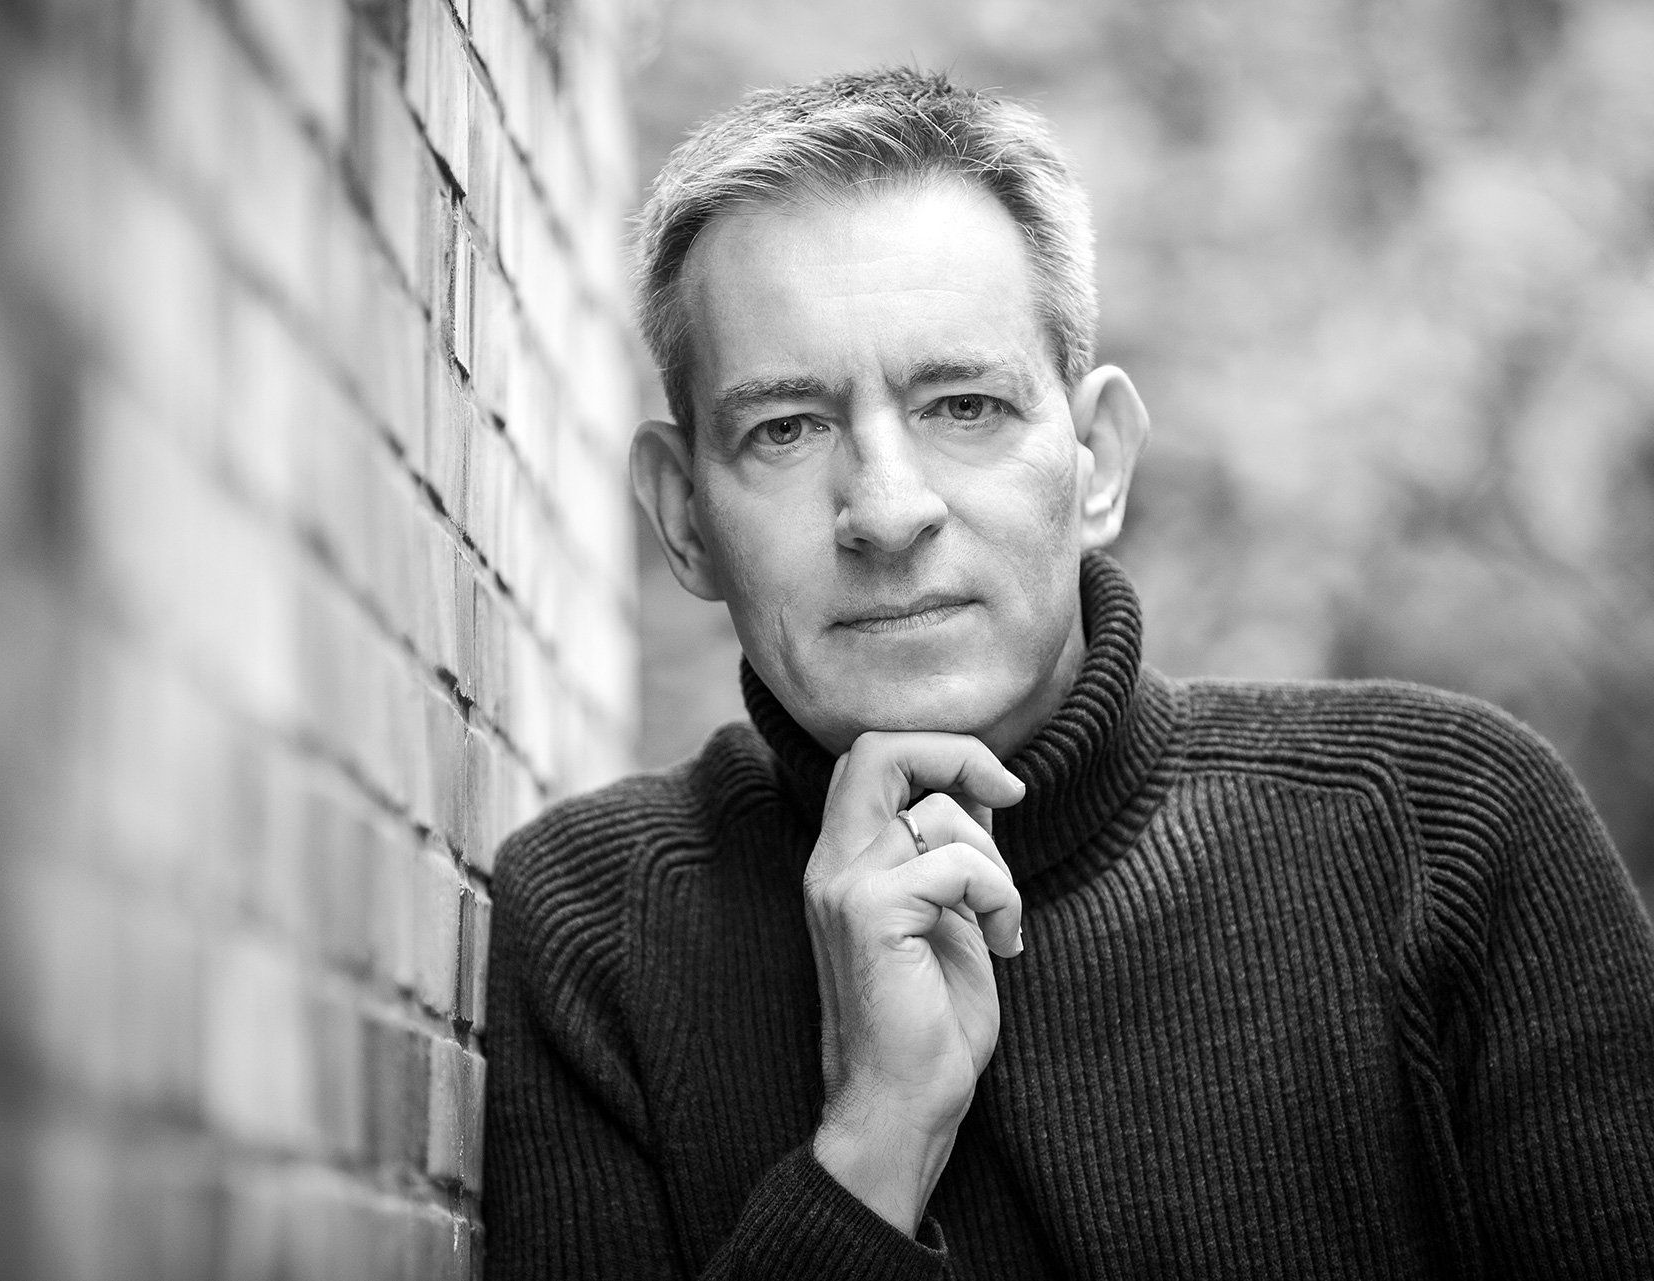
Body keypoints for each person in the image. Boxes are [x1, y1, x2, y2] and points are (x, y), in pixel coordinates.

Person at [481, 67, 1654, 1278]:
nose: (887, 509)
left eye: (964, 406)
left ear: (1098, 462)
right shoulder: (596, 930)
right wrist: (876, 1140)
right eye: (786, 428)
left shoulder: (1444, 831)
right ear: (685, 516)